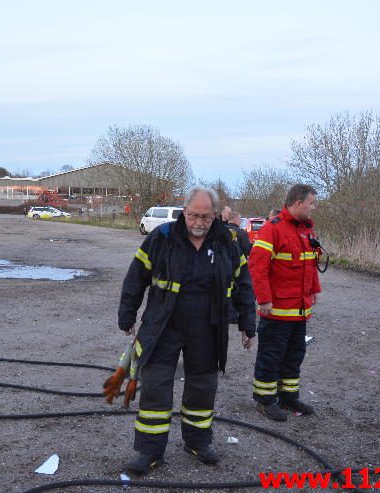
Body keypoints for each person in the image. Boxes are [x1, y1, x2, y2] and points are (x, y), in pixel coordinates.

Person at [118, 186, 256, 475]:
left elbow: (244, 285)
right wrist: (127, 314)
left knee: (203, 388)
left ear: (216, 215)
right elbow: (136, 277)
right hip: (163, 326)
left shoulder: (228, 243)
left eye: (205, 217)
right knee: (155, 387)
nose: (198, 222)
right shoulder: (162, 238)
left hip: (208, 328)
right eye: (193, 215)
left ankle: (197, 442)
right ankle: (150, 452)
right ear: (185, 211)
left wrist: (247, 324)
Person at [248, 184, 321, 422]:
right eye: (311, 203)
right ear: (298, 203)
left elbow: (311, 264)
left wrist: (314, 291)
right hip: (277, 310)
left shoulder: (306, 231)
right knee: (271, 355)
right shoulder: (273, 229)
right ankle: (265, 399)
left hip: (299, 310)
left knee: (294, 354)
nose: (314, 207)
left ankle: (288, 396)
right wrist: (264, 299)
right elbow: (257, 266)